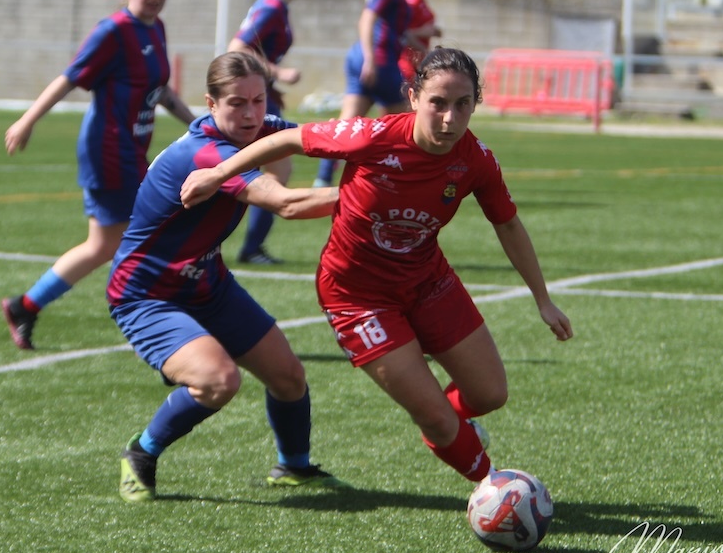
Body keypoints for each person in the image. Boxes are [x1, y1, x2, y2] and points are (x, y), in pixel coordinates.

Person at [181, 47, 573, 484]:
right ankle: (494, 485)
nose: (449, 118)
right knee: (440, 421)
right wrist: (219, 173)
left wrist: (544, 300)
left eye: (462, 105)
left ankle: (445, 428)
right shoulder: (372, 136)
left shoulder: (474, 159)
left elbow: (509, 225)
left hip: (427, 281)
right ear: (413, 98)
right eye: (437, 103)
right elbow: (289, 139)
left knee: (490, 393)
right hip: (357, 296)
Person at [111, 51, 344, 502]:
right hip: (147, 295)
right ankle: (140, 454)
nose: (252, 113)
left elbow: (318, 137)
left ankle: (293, 466)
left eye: (259, 100)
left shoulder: (261, 126)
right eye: (238, 102)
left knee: (289, 377)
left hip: (207, 285)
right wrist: (373, 194)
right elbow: (285, 204)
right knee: (218, 381)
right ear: (211, 104)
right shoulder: (205, 152)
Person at [1, 0, 197, 350]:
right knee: (147, 234)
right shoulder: (113, 31)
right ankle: (172, 321)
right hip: (108, 151)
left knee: (106, 245)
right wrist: (28, 120)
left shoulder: (155, 28)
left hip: (133, 151)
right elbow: (69, 78)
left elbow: (158, 90)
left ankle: (26, 305)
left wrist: (196, 123)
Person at [228, 0, 318, 265]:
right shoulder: (271, 7)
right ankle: (249, 248)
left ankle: (251, 248)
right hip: (252, 104)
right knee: (269, 172)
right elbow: (236, 49)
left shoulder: (276, 6)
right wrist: (277, 72)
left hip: (263, 98)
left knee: (271, 170)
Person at [312, 0, 418, 188]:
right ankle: (387, 175)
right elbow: (367, 18)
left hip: (362, 57)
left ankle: (323, 179)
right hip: (377, 60)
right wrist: (370, 58)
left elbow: (393, 28)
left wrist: (420, 38)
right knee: (403, 121)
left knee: (347, 122)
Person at [398, 0, 441, 85]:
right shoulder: (410, 2)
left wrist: (433, 31)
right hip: (406, 62)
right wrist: (426, 52)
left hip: (416, 62)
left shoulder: (420, 1)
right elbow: (402, 32)